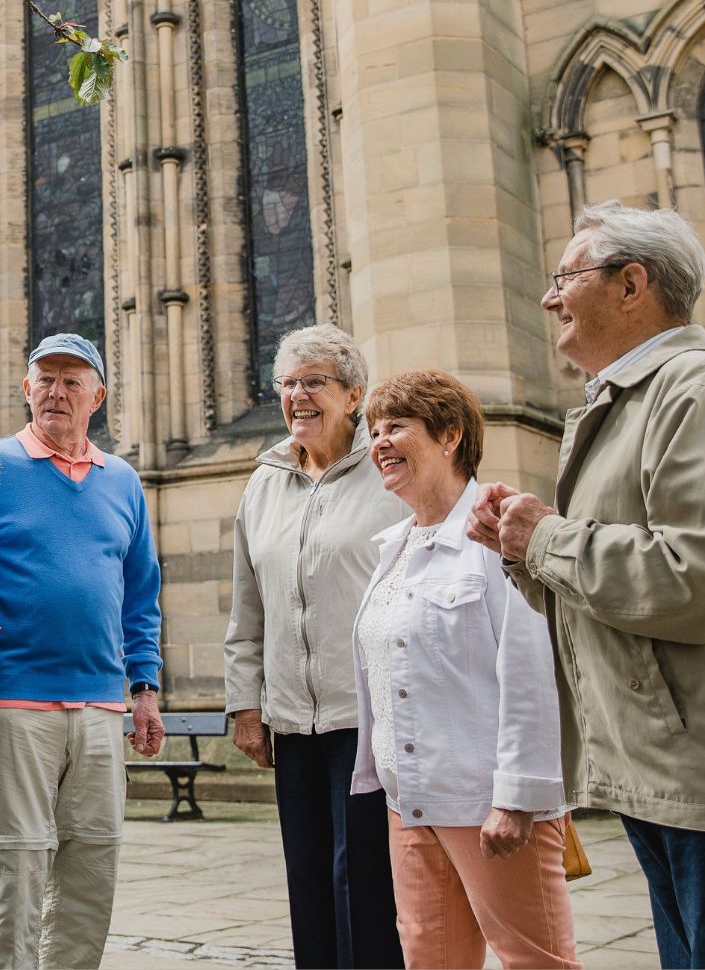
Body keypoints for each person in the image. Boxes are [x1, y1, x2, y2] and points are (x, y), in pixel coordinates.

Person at [469, 203, 705, 969]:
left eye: (567, 276)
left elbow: (698, 580)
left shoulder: (696, 389)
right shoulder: (631, 399)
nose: (548, 297)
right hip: (663, 771)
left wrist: (549, 539)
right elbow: (616, 589)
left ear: (633, 284)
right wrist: (522, 552)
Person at [352, 370, 576, 969]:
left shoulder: (496, 532)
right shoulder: (393, 548)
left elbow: (533, 674)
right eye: (374, 430)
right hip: (410, 805)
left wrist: (518, 798)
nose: (379, 441)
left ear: (450, 435)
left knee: (536, 960)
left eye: (397, 425)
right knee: (432, 961)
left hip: (488, 807)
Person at [0, 333, 163, 970]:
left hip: (102, 708)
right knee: (11, 872)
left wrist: (146, 687)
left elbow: (142, 593)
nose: (57, 391)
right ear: (26, 390)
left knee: (90, 875)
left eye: (73, 381)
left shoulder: (123, 482)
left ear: (97, 397)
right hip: (13, 703)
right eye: (45, 378)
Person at [223, 323, 407, 969]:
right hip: (292, 720)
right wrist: (247, 705)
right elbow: (248, 608)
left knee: (364, 876)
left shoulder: (389, 475)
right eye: (288, 383)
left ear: (354, 395)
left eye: (315, 382)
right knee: (307, 876)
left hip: (369, 717)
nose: (298, 396)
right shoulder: (265, 480)